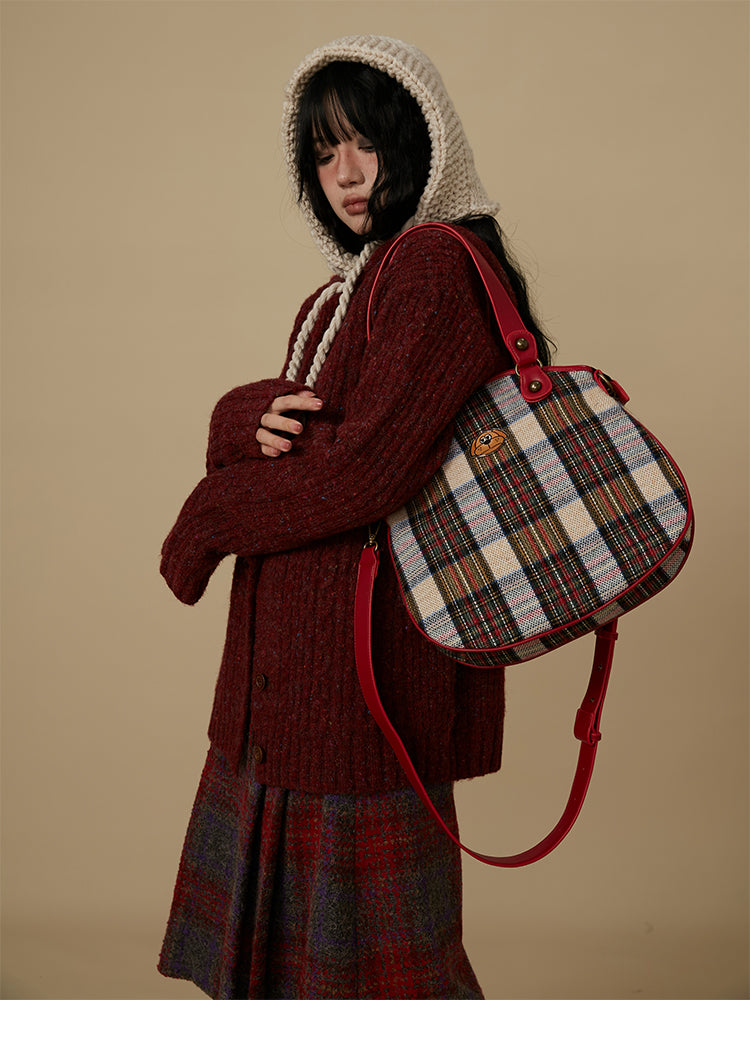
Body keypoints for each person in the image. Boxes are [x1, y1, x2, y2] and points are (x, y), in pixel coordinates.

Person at [157, 34, 551, 1000]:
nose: (345, 174)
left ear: (421, 140)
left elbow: (365, 474)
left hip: (359, 696)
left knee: (380, 992)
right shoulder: (348, 290)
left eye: (366, 143)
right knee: (296, 990)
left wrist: (210, 514)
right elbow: (308, 439)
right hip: (297, 692)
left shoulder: (432, 269)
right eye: (324, 151)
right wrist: (236, 419)